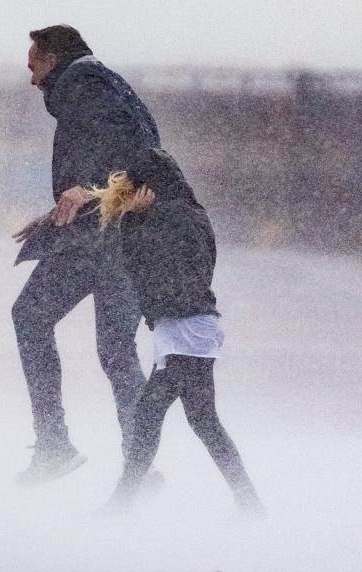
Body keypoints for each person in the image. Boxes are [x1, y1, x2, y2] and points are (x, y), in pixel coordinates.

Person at [12, 25, 161, 485]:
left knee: (29, 317)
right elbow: (142, 149)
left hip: (98, 240)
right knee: (117, 350)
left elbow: (132, 150)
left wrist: (87, 192)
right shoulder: (109, 83)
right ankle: (140, 461)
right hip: (131, 239)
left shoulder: (82, 84)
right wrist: (65, 204)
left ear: (54, 59)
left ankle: (54, 443)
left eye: (34, 66)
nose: (32, 79)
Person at [88, 147, 263, 512]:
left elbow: (142, 267)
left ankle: (118, 504)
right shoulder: (185, 214)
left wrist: (135, 221)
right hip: (185, 329)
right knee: (202, 422)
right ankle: (248, 500)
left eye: (134, 187)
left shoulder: (172, 218)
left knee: (151, 415)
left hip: (188, 330)